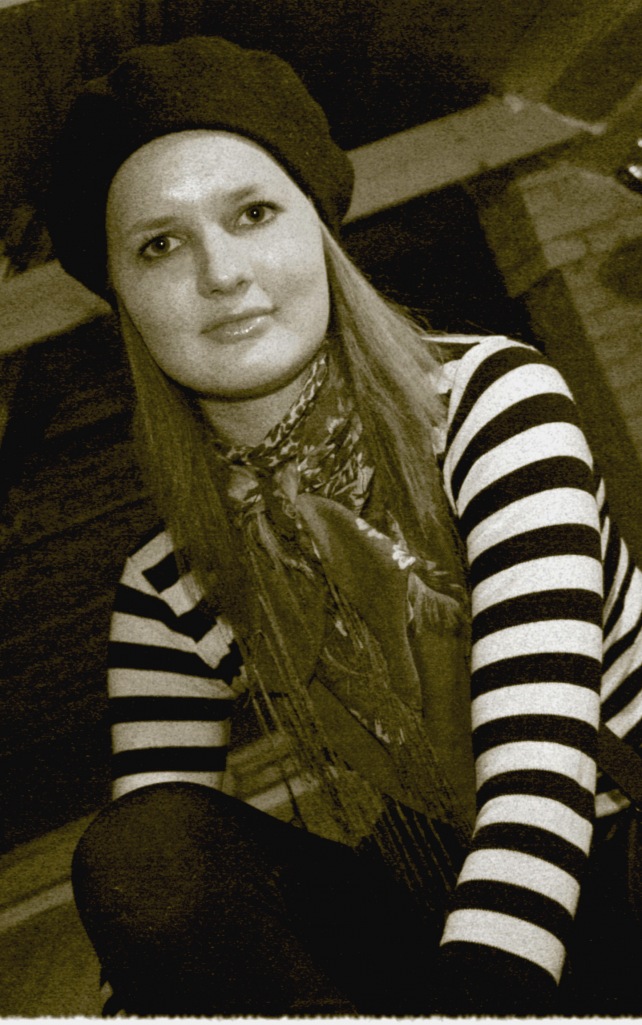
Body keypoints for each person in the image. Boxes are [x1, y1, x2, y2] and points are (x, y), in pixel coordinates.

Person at [45, 34, 642, 1016]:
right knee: (142, 847)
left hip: (610, 848)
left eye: (253, 213)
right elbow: (159, 893)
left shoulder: (488, 402)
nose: (222, 272)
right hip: (442, 895)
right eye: (159, 244)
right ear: (124, 300)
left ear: (318, 232)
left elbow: (540, 756)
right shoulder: (165, 590)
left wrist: (480, 998)